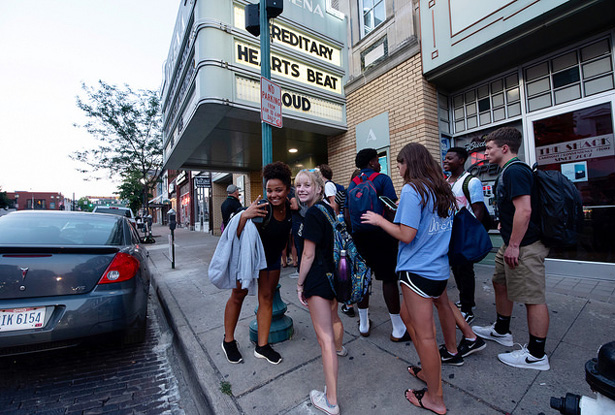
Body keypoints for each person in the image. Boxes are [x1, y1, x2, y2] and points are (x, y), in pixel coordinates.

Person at [361, 142, 457, 415]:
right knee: (405, 314)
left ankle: (434, 398)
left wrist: (379, 220)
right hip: (437, 269)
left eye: (400, 163)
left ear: (409, 163)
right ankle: (430, 370)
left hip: (418, 271)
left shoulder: (413, 189)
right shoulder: (441, 189)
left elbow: (406, 234)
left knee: (426, 336)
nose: (399, 169)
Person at [473, 127, 551, 371]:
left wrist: (515, 245)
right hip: (511, 242)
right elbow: (514, 207)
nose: (485, 153)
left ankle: (536, 356)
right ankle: (501, 330)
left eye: (489, 148)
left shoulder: (515, 171)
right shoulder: (508, 171)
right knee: (500, 282)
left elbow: (524, 210)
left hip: (524, 246)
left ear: (504, 148)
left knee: (532, 298)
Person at [221, 162, 293, 365]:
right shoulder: (261, 209)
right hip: (249, 262)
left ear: (288, 189)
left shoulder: (291, 207)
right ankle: (228, 341)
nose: (273, 195)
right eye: (269, 190)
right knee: (237, 296)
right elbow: (231, 236)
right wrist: (244, 216)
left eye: (279, 190)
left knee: (267, 299)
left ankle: (262, 347)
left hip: (271, 262)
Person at [295, 169, 345, 415]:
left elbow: (308, 254)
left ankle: (331, 401)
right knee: (329, 339)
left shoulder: (313, 214)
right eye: (298, 185)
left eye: (306, 185)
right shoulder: (327, 209)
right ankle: (330, 388)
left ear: (318, 188)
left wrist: (300, 284)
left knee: (324, 339)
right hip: (332, 278)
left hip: (317, 280)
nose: (301, 189)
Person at [347, 148, 409, 342]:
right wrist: (396, 229)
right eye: (377, 160)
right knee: (388, 279)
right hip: (382, 235)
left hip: (359, 237)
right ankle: (398, 328)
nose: (380, 163)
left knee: (364, 278)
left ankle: (364, 324)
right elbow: (391, 208)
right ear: (372, 161)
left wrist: (355, 233)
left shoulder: (352, 184)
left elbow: (348, 214)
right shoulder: (383, 179)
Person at [443, 147, 487, 324]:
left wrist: (470, 234)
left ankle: (468, 308)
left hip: (464, 234)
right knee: (457, 270)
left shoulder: (471, 181)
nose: (445, 161)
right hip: (450, 234)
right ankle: (464, 300)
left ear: (461, 160)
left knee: (466, 271)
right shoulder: (446, 182)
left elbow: (478, 210)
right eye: (445, 158)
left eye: (450, 158)